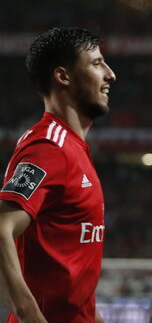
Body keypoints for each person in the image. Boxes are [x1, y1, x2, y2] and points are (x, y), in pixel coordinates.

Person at [0, 27, 117, 323]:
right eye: (96, 63)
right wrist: (30, 317)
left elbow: (72, 293)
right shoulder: (48, 146)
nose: (110, 74)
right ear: (63, 76)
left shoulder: (73, 147)